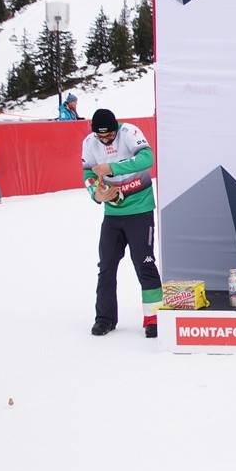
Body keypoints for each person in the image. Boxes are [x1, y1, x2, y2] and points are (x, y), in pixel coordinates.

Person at [81, 109, 163, 338]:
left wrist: (112, 168)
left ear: (116, 128)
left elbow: (148, 158)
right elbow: (87, 174)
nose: (105, 139)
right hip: (113, 213)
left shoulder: (129, 132)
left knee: (144, 264)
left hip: (140, 209)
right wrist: (96, 194)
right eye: (101, 136)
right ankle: (105, 318)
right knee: (106, 266)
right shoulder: (89, 142)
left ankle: (153, 318)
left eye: (109, 135)